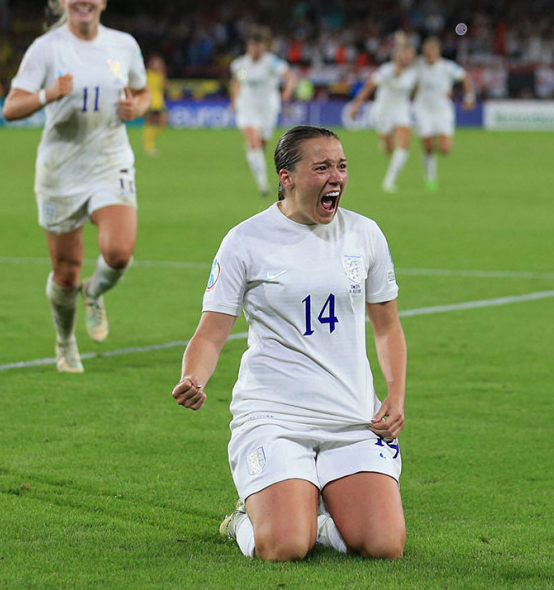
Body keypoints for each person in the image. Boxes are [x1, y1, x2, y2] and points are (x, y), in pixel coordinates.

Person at [173, 125, 407, 562]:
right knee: (284, 546)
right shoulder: (246, 240)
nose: (336, 177)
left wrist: (395, 395)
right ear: (287, 178)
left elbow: (387, 327)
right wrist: (194, 377)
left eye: (341, 166)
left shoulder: (365, 234)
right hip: (274, 416)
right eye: (322, 167)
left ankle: (317, 518)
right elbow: (211, 331)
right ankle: (245, 520)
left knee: (384, 545)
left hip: (352, 415)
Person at [2, 0, 150, 373]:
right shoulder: (46, 49)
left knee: (119, 253)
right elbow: (10, 107)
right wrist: (49, 94)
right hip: (61, 170)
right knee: (65, 273)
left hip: (109, 161)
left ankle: (96, 291)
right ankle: (65, 341)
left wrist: (136, 107)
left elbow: (143, 92)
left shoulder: (123, 46)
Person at [230, 26, 297, 195]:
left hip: (268, 108)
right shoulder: (240, 64)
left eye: (258, 47)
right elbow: (236, 82)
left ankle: (253, 158)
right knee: (254, 143)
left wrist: (287, 92)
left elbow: (290, 77)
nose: (255, 50)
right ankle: (263, 184)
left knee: (261, 144)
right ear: (248, 46)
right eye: (252, 46)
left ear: (264, 47)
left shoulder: (272, 62)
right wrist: (235, 100)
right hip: (247, 106)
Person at [348, 39, 418, 193]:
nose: (408, 58)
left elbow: (415, 91)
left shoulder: (414, 73)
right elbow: (369, 87)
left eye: (411, 55)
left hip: (402, 110)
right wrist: (356, 105)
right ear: (398, 55)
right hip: (383, 111)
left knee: (404, 145)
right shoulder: (385, 70)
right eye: (406, 54)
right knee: (389, 150)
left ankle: (389, 182)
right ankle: (384, 141)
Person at [412, 36, 476, 191]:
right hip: (423, 109)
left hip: (442, 110)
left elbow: (465, 77)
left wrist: (469, 97)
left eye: (432, 50)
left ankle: (434, 139)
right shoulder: (418, 65)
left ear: (438, 51)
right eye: (427, 50)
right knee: (427, 146)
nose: (429, 53)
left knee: (445, 149)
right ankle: (430, 177)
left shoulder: (447, 67)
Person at [142, 54, 167, 156]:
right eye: (155, 63)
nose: (157, 65)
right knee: (150, 122)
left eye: (159, 63)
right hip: (150, 102)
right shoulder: (147, 75)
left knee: (162, 123)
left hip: (159, 102)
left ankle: (151, 141)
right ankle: (148, 145)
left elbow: (165, 87)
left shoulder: (160, 75)